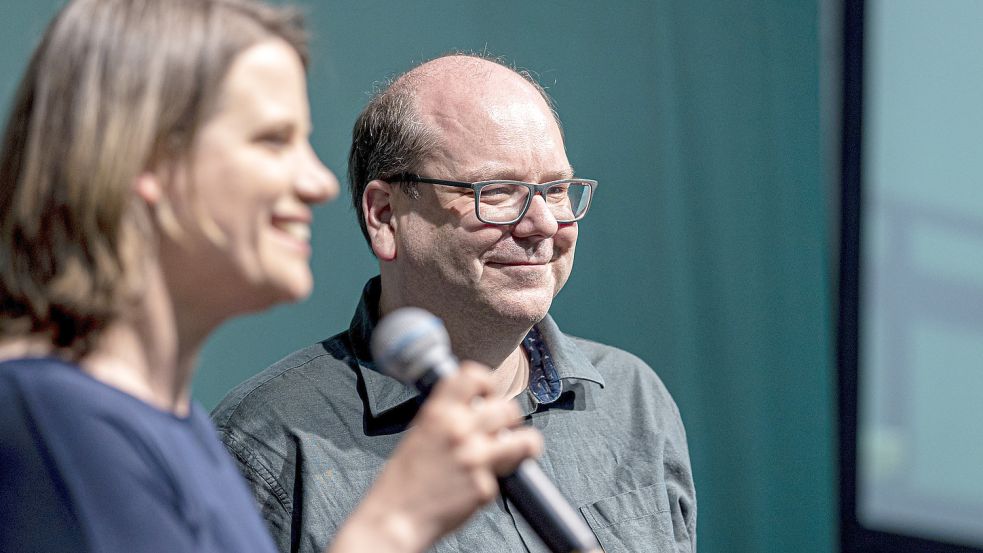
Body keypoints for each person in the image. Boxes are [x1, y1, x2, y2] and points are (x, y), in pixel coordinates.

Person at [0, 1, 542, 552]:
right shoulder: (45, 424)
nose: (320, 183)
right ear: (143, 158)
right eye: (272, 141)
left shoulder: (177, 426)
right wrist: (393, 528)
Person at [212, 54, 698, 552]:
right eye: (499, 192)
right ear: (384, 216)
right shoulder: (268, 443)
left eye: (554, 190)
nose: (544, 225)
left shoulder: (632, 397)